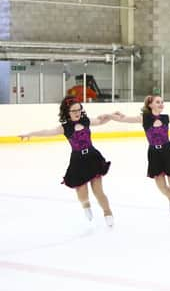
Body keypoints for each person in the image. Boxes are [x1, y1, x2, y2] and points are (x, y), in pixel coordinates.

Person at [20, 96, 115, 226]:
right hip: (78, 162)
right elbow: (47, 132)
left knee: (98, 192)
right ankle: (86, 205)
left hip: (93, 158)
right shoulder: (65, 127)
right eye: (74, 111)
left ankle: (107, 212)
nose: (77, 113)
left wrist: (110, 116)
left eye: (79, 110)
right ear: (67, 112)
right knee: (83, 195)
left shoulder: (86, 121)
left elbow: (99, 121)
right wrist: (30, 133)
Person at [112, 95, 170, 225]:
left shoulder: (166, 118)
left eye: (162, 102)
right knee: (160, 184)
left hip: (168, 151)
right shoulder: (144, 118)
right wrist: (112, 115)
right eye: (158, 102)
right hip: (154, 153)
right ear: (150, 105)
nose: (161, 104)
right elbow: (124, 119)